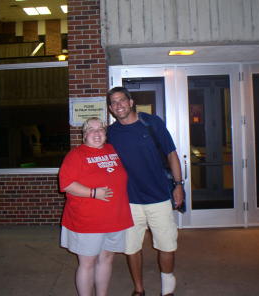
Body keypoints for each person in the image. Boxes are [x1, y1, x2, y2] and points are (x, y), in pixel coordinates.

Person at [106, 87, 184, 296]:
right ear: (111, 109)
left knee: (166, 245)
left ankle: (167, 289)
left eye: (122, 100)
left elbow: (171, 154)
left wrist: (179, 184)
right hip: (129, 201)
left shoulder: (152, 123)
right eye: (113, 103)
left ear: (131, 102)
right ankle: (139, 289)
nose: (118, 105)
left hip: (159, 197)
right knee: (131, 248)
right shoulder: (111, 133)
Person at [59, 117, 134, 296]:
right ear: (84, 135)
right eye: (91, 129)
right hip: (87, 221)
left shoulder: (111, 150)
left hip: (115, 218)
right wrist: (93, 192)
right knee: (88, 263)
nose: (97, 133)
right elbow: (66, 184)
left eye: (100, 129)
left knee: (107, 259)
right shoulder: (76, 155)